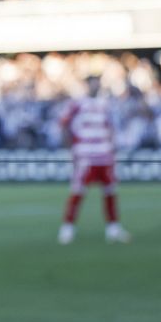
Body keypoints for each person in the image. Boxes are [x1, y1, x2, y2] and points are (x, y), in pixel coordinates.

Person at [57, 75, 131, 244]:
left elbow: (111, 127)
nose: (96, 86)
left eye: (98, 83)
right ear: (87, 84)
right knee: (78, 192)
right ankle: (67, 228)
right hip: (85, 156)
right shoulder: (77, 104)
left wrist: (112, 149)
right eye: (93, 83)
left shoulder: (105, 104)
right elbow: (63, 124)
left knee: (110, 191)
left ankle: (113, 228)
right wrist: (71, 149)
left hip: (104, 155)